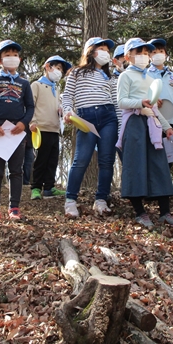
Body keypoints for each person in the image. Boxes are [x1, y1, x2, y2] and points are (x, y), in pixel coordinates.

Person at [116, 38, 173, 229]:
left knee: (159, 164)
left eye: (146, 53)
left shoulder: (152, 79)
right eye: (139, 53)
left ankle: (164, 212)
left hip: (152, 123)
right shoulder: (125, 76)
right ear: (128, 57)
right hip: (134, 123)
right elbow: (121, 102)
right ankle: (140, 212)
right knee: (135, 165)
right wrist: (140, 103)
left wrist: (167, 126)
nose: (144, 57)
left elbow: (155, 106)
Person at [62, 37, 119, 218]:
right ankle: (70, 200)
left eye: (107, 50)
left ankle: (101, 200)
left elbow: (116, 102)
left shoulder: (109, 76)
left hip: (108, 117)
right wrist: (68, 111)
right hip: (85, 118)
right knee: (81, 159)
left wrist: (120, 125)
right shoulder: (76, 73)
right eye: (101, 48)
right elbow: (67, 96)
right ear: (90, 52)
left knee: (106, 160)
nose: (105, 53)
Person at [0, 40, 35, 224]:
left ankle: (14, 208)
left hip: (16, 132)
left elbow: (30, 106)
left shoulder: (24, 83)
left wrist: (24, 123)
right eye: (7, 55)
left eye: (15, 54)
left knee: (16, 171)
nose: (11, 58)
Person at [30, 55, 72, 200]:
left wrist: (60, 111)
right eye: (58, 68)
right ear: (48, 67)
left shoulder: (56, 89)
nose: (59, 72)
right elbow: (30, 105)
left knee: (52, 160)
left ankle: (49, 187)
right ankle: (35, 187)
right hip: (41, 128)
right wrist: (32, 122)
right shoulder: (37, 85)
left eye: (61, 69)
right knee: (41, 159)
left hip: (55, 129)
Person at [147, 38, 173, 138]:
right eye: (154, 52)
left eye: (161, 51)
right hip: (154, 118)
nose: (158, 54)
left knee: (171, 151)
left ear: (166, 54)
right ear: (149, 56)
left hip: (172, 119)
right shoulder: (146, 74)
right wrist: (152, 100)